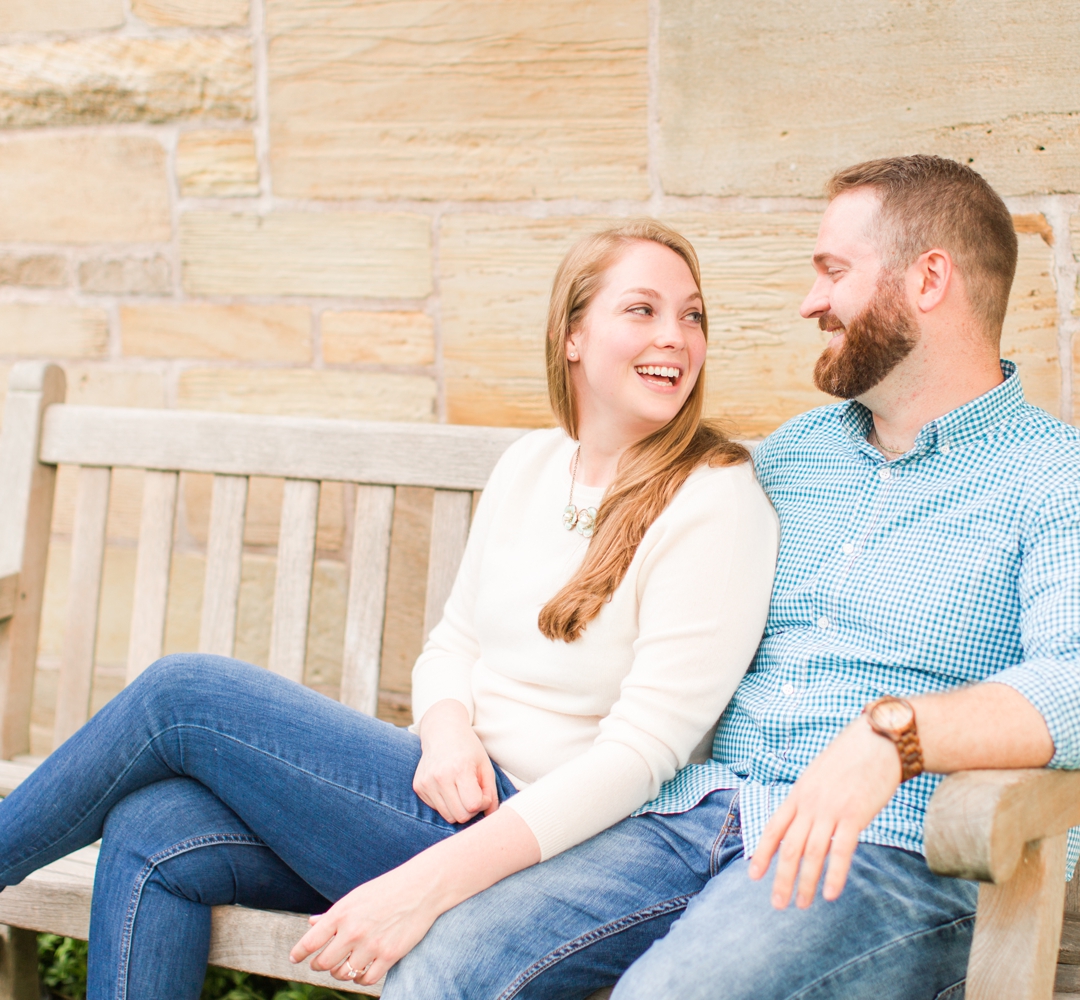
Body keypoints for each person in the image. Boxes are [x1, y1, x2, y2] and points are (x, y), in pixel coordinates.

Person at [382, 155, 1080, 999]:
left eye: (833, 272)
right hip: (703, 815)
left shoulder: (1060, 481)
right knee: (443, 965)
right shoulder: (794, 456)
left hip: (894, 851)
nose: (809, 302)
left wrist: (888, 739)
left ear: (928, 279)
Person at [0, 220, 778, 997]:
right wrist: (444, 732)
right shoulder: (531, 465)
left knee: (182, 697)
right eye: (642, 310)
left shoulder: (714, 501)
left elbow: (642, 760)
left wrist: (430, 880)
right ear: (572, 335)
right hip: (434, 794)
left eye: (693, 315)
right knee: (154, 829)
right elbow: (453, 641)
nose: (673, 337)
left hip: (538, 844)